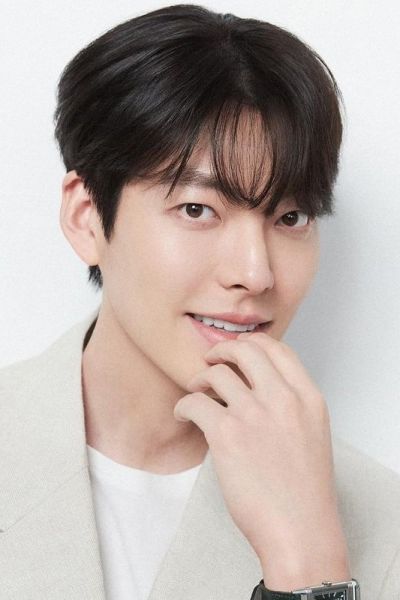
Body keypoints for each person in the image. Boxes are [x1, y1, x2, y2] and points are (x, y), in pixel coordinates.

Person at [1, 4, 400, 599]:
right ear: (87, 218)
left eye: (291, 217)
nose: (255, 273)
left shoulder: (381, 521)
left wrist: (310, 565)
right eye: (197, 209)